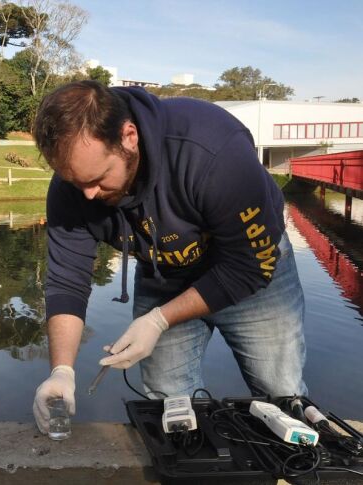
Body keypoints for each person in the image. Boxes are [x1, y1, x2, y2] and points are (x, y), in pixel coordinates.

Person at [31, 80, 306, 435]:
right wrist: (61, 371)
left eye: (98, 179)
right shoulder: (75, 188)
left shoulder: (211, 150)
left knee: (282, 397)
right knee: (168, 405)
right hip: (166, 276)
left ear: (129, 136)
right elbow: (67, 280)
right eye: (74, 181)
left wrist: (158, 321)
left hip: (254, 271)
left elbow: (250, 266)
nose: (88, 195)